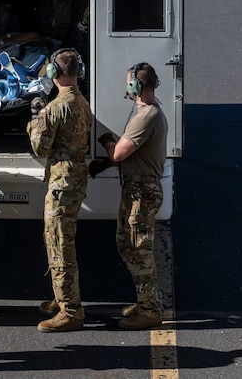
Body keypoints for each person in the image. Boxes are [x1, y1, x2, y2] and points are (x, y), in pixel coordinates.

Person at [93, 62, 168, 330]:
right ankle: (145, 300)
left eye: (129, 83)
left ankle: (150, 309)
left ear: (137, 86)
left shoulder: (147, 116)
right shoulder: (146, 112)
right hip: (136, 190)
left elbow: (118, 154)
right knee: (127, 245)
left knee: (139, 249)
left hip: (142, 193)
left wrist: (104, 141)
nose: (127, 87)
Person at [27, 48, 91, 332]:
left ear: (54, 73)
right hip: (75, 179)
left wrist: (34, 120)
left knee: (58, 243)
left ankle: (71, 311)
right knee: (63, 238)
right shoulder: (81, 102)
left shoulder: (54, 108)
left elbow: (40, 147)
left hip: (61, 183)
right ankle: (62, 296)